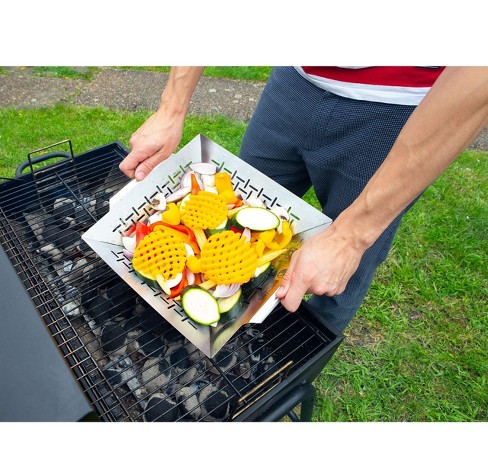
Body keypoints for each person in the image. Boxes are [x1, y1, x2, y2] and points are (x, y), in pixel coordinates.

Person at [119, 66, 488, 333]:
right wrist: (171, 108)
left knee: (339, 269)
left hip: (400, 107)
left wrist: (350, 236)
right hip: (294, 82)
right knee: (236, 213)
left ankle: (289, 364)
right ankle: (221, 325)